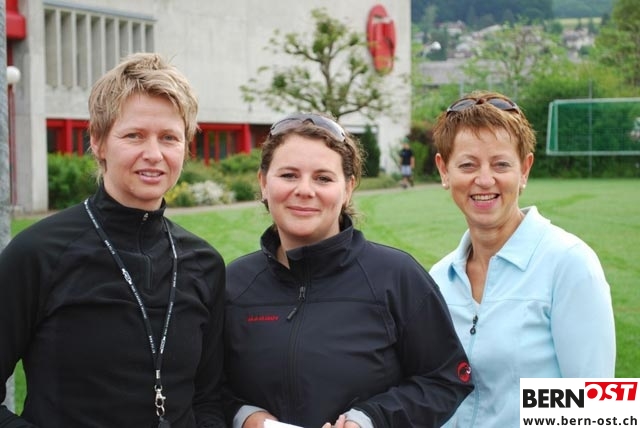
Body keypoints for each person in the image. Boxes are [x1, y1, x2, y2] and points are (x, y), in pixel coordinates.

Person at [0, 53, 227, 427]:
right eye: (134, 135)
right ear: (98, 141)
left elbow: (209, 397)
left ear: (185, 147)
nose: (153, 154)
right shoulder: (38, 254)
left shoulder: (204, 263)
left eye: (169, 138)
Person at [223, 112, 473, 428]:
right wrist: (244, 416)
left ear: (348, 188)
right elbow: (204, 388)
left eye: (323, 178)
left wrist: (370, 419)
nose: (304, 190)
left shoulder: (397, 277)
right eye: (288, 175)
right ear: (263, 183)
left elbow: (445, 379)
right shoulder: (233, 284)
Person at [430, 90, 616, 427]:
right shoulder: (439, 278)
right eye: (468, 165)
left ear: (525, 170)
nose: (484, 179)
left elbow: (596, 409)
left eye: (501, 164)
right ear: (444, 171)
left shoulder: (570, 264)